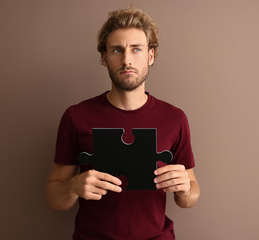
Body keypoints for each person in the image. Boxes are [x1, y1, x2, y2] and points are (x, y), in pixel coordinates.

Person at [45, 6, 200, 240]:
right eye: (117, 50)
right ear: (104, 58)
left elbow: (190, 196)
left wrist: (185, 189)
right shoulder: (76, 116)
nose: (127, 60)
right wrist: (75, 186)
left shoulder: (175, 118)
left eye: (136, 49)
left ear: (150, 55)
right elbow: (54, 197)